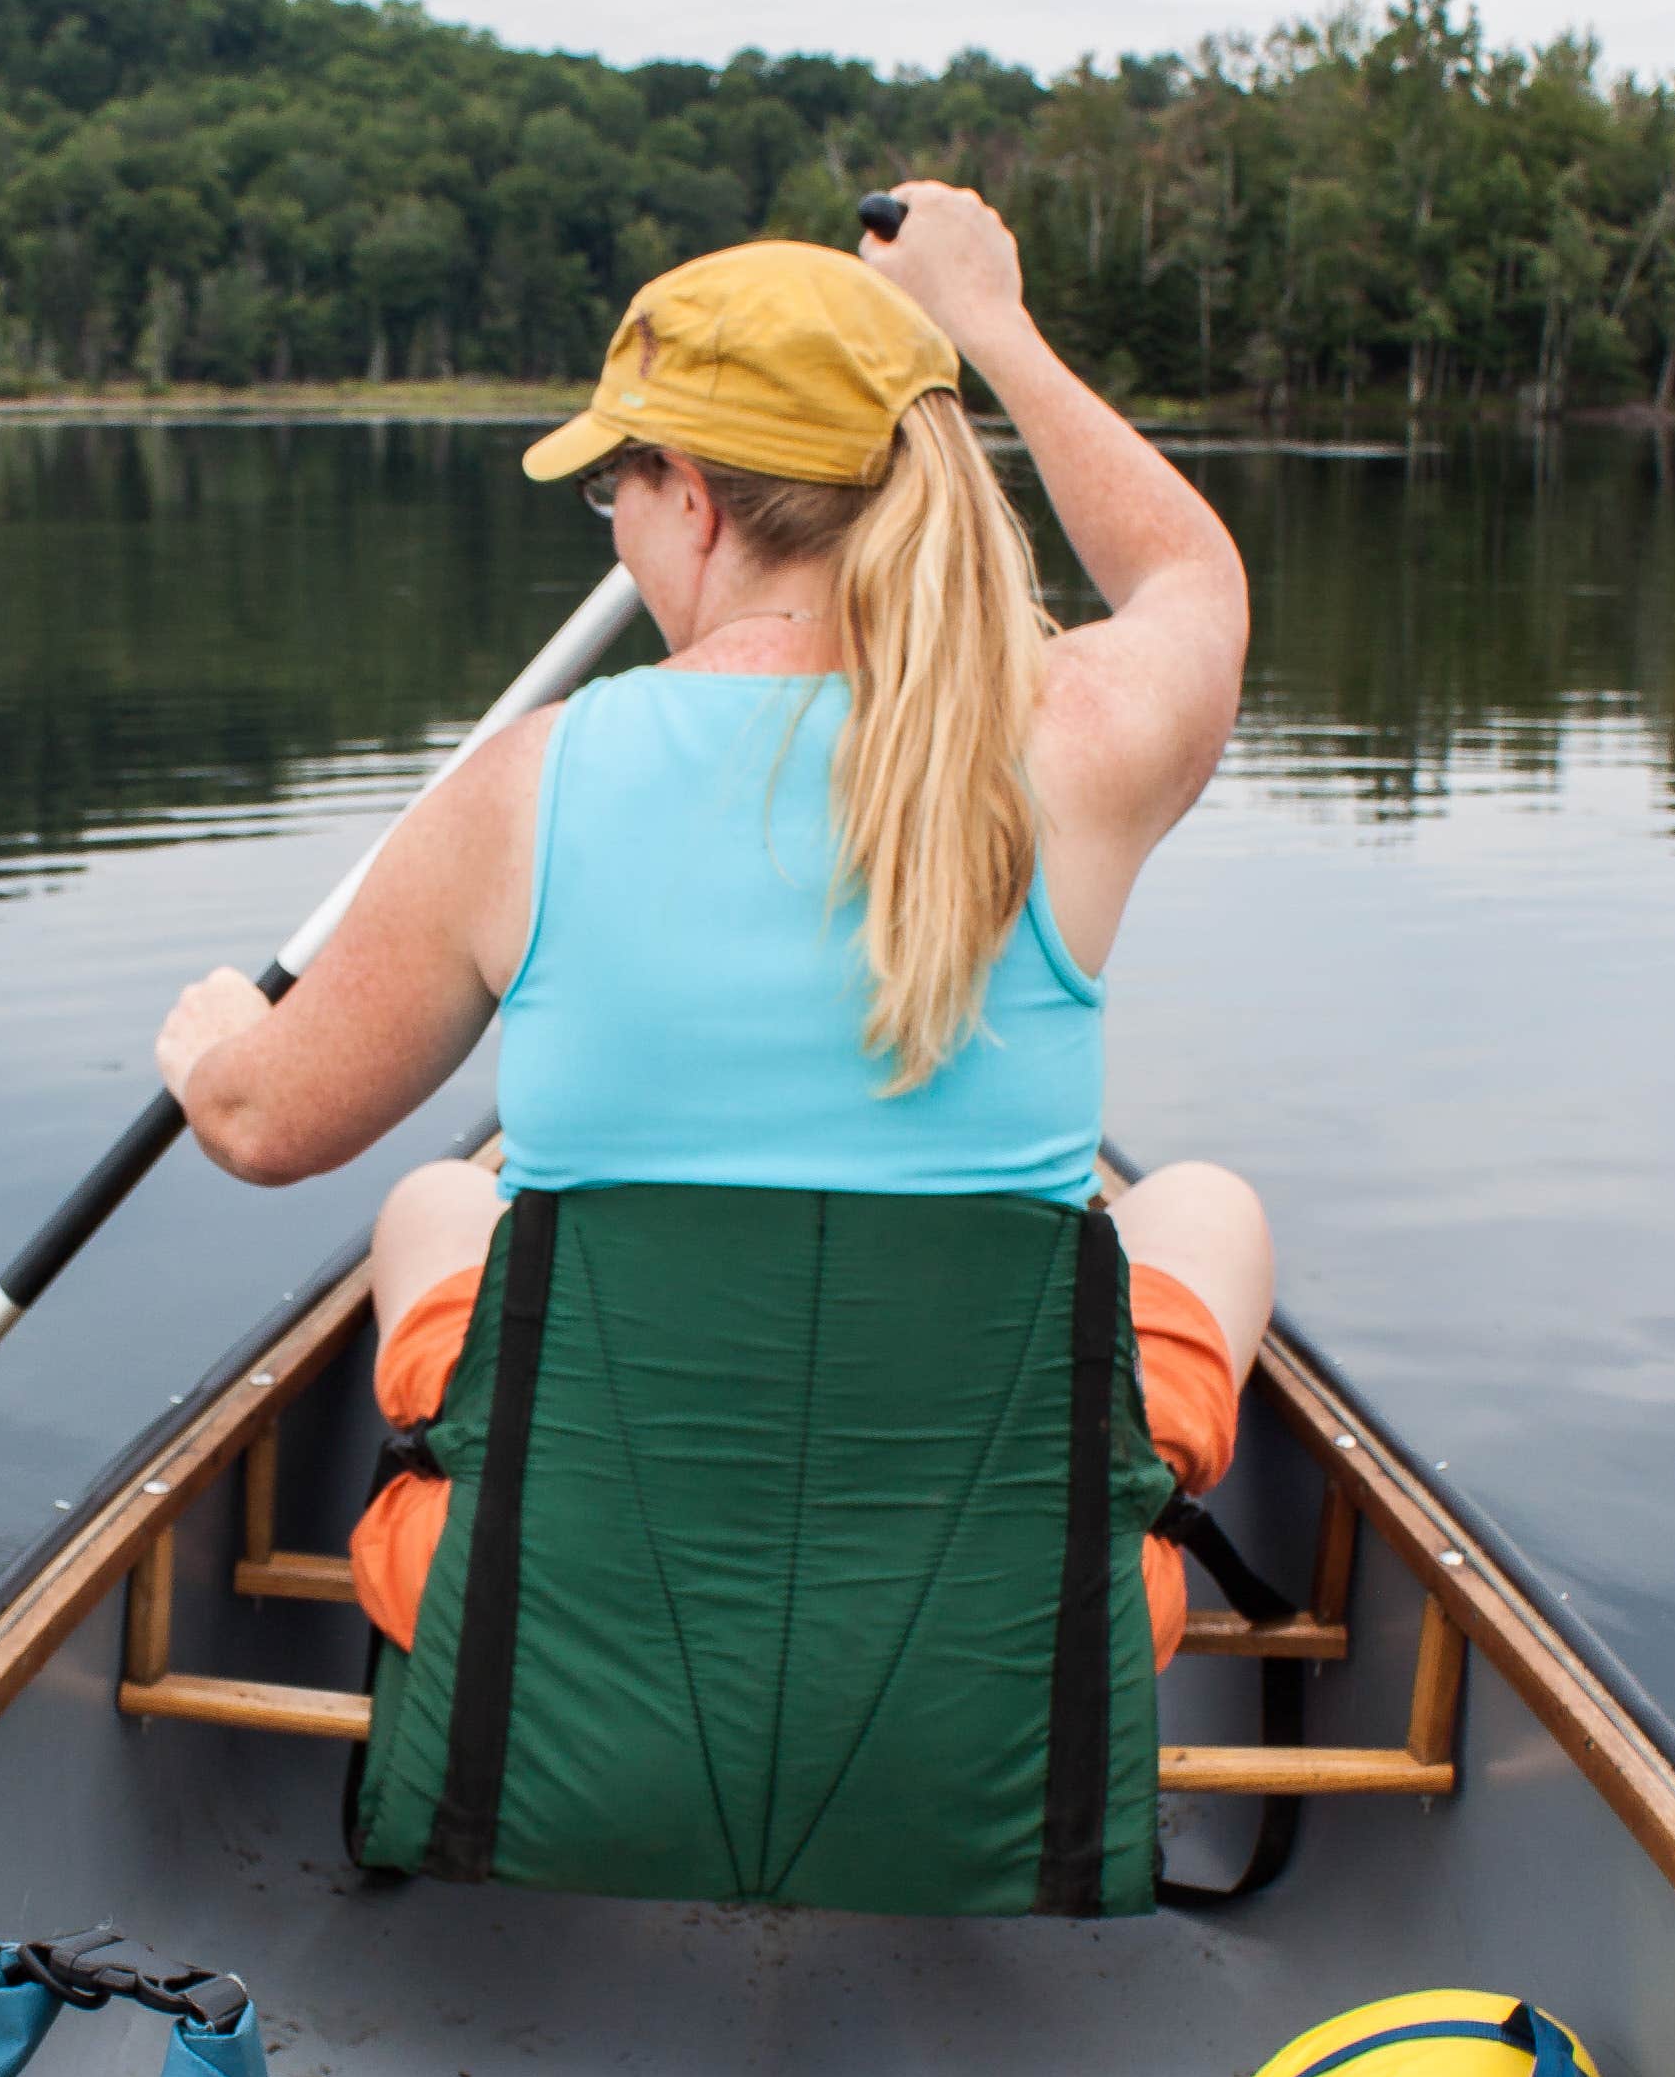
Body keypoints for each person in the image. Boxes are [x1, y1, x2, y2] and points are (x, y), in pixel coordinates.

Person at [156, 183, 1268, 1704]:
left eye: (611, 480)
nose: (609, 516)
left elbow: (260, 1121)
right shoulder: (1076, 745)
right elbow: (1190, 583)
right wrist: (991, 324)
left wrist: (214, 1040)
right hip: (1012, 1653)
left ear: (689, 498)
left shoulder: (522, 786)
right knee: (1202, 1206)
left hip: (556, 1638)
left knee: (433, 1198)